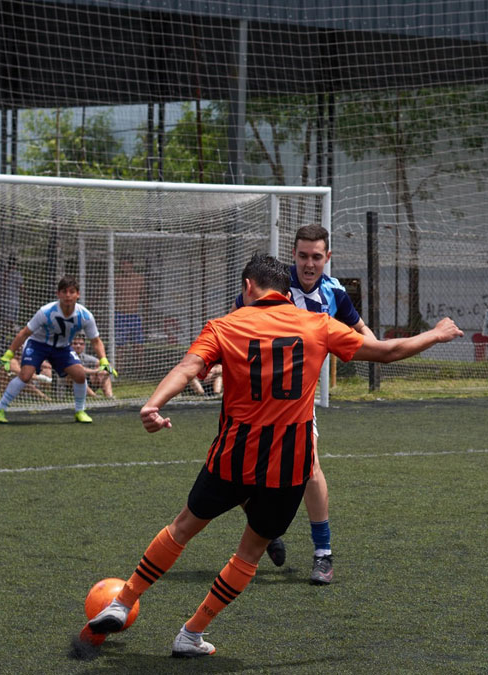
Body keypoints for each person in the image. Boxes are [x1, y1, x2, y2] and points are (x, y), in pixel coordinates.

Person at [76, 253, 462, 657]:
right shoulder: (317, 325)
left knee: (183, 527)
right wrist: (435, 334)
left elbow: (188, 367)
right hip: (288, 468)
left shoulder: (225, 325)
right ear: (286, 291)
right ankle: (191, 634)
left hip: (232, 457)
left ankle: (122, 602)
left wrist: (154, 404)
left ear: (248, 287)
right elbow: (386, 351)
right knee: (250, 551)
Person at [234, 224, 376, 585]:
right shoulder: (273, 284)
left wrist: (380, 351)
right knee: (235, 473)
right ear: (293, 255)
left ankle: (323, 554)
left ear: (327, 257)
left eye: (316, 257)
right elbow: (233, 324)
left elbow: (361, 330)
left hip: (297, 400)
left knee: (310, 467)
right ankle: (265, 530)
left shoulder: (334, 292)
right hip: (253, 398)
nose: (309, 264)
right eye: (302, 256)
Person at [0, 276, 116, 424]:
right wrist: (8, 355)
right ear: (58, 294)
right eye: (64, 292)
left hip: (62, 348)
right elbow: (24, 333)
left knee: (80, 375)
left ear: (78, 294)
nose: (68, 295)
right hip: (38, 344)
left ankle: (80, 411)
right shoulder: (46, 311)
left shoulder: (85, 316)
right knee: (25, 375)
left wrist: (103, 360)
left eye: (72, 292)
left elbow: (96, 341)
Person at [115, 259, 146, 375]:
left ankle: (140, 370)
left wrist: (146, 316)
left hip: (134, 315)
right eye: (122, 264)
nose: (124, 267)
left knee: (138, 345)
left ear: (131, 264)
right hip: (120, 315)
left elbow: (144, 297)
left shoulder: (139, 279)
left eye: (126, 264)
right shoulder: (117, 279)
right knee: (120, 345)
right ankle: (120, 370)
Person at [72, 334, 114, 399]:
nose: (78, 346)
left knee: (103, 373)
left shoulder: (85, 357)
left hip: (87, 383)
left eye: (81, 344)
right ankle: (94, 396)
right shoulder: (67, 356)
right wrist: (96, 371)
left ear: (84, 346)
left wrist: (105, 369)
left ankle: (109, 396)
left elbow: (104, 364)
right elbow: (78, 369)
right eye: (75, 344)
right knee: (75, 375)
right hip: (71, 385)